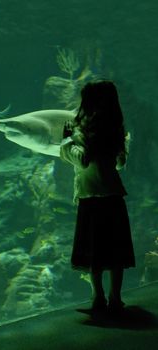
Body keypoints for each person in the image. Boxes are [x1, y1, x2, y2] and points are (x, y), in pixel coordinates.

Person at [60, 79, 135, 312]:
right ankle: (115, 298)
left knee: (95, 253)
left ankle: (97, 297)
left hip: (90, 197)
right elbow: (120, 163)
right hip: (113, 195)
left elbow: (81, 161)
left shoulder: (81, 130)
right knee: (116, 252)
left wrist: (66, 139)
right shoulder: (115, 129)